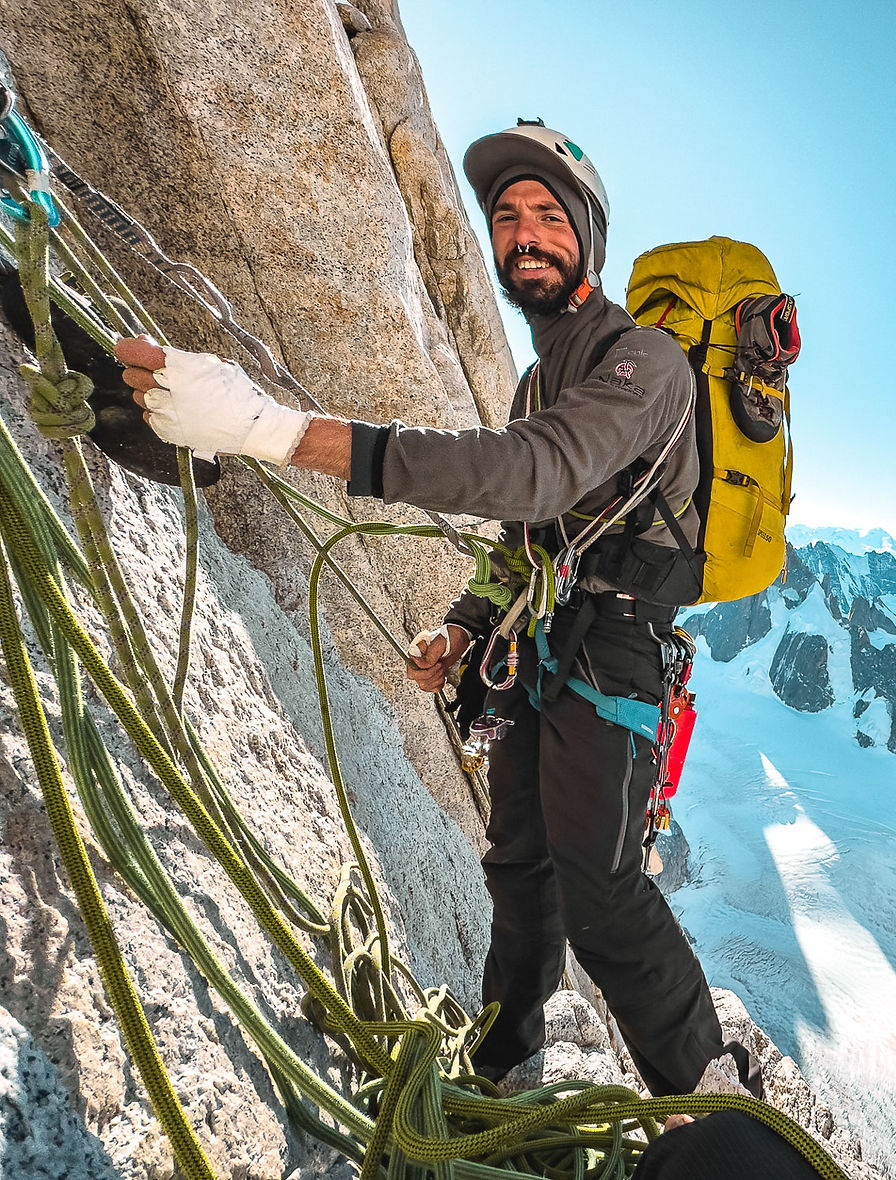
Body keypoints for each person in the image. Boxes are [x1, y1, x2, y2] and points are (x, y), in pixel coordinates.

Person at [115, 120, 752, 1098]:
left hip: (616, 653)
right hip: (548, 647)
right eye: (506, 217)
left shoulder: (645, 363)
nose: (523, 234)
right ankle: (503, 1066)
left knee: (603, 892)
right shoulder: (545, 373)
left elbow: (530, 474)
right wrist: (462, 624)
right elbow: (524, 540)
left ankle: (711, 1098)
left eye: (547, 214)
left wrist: (275, 431)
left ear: (587, 236)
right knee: (519, 872)